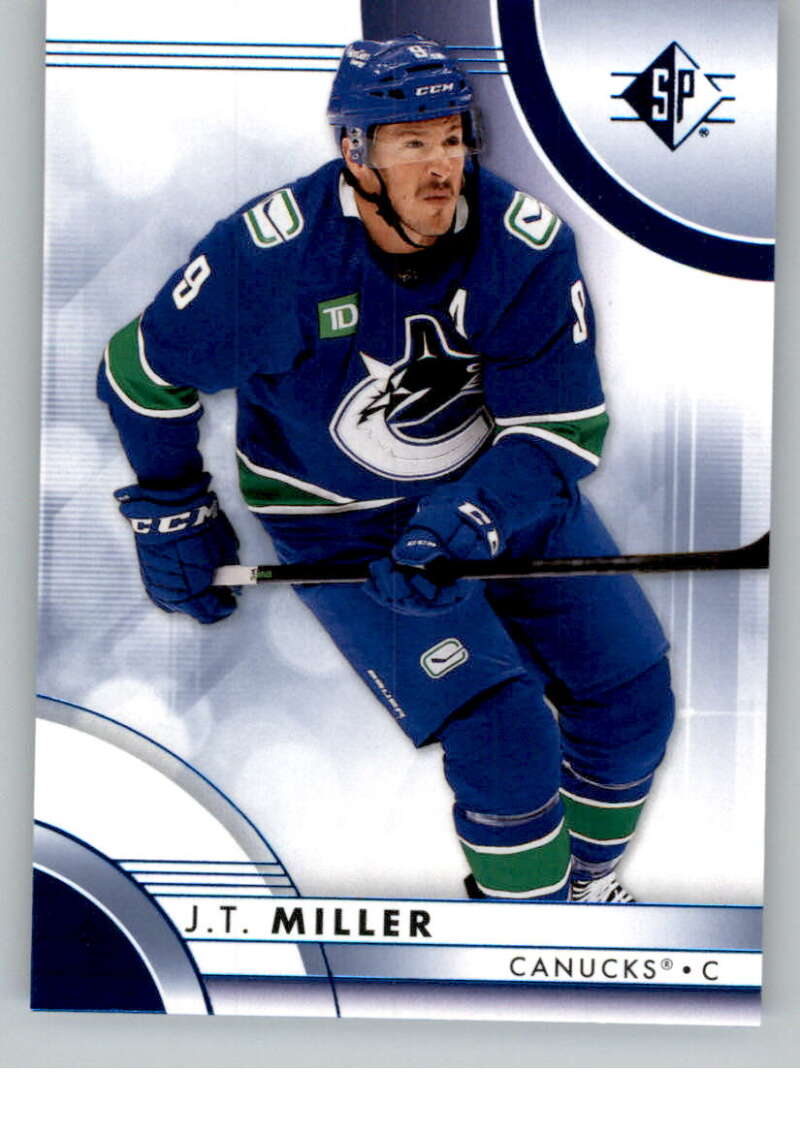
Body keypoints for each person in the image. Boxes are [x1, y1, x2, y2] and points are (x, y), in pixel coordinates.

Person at [99, 35, 675, 903]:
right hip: (342, 525)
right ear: (354, 151)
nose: (441, 166)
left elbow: (560, 432)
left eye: (452, 138)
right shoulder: (271, 258)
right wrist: (173, 511)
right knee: (504, 739)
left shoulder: (524, 244)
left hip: (502, 494)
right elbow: (139, 376)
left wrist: (469, 519)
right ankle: (526, 934)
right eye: (412, 142)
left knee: (632, 702)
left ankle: (583, 899)